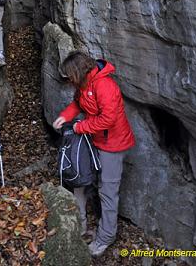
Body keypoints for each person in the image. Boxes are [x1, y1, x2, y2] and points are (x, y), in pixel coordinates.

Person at [53, 50, 135, 257]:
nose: (68, 80)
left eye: (69, 76)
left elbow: (108, 119)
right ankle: (80, 225)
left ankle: (105, 237)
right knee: (83, 180)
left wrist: (80, 127)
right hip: (95, 139)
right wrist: (65, 117)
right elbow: (77, 104)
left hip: (113, 144)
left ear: (78, 72)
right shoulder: (83, 84)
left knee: (108, 191)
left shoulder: (104, 86)